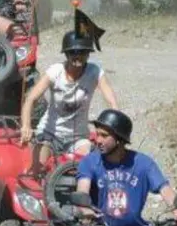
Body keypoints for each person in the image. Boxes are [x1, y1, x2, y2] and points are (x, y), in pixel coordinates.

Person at [74, 110, 177, 226]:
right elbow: (82, 190)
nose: (97, 140)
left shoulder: (144, 163)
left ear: (119, 139)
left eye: (104, 136)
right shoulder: (89, 162)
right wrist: (85, 210)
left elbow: (165, 189)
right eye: (97, 134)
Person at [19, 31, 119, 174]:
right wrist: (26, 126)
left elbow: (110, 97)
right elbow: (31, 99)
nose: (78, 57)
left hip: (78, 137)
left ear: (88, 54)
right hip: (50, 134)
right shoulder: (55, 72)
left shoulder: (94, 72)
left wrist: (115, 120)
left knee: (86, 169)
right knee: (38, 170)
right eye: (73, 53)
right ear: (66, 54)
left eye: (82, 53)